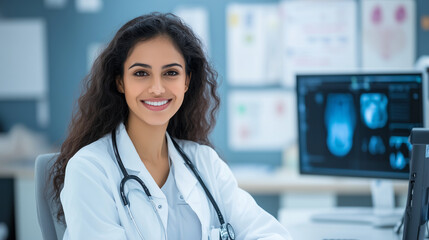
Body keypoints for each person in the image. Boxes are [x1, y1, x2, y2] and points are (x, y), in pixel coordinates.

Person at [51, 12, 292, 240]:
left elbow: (268, 232)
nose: (157, 88)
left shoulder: (203, 162)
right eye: (141, 73)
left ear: (186, 81)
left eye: (171, 73)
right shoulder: (91, 169)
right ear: (120, 82)